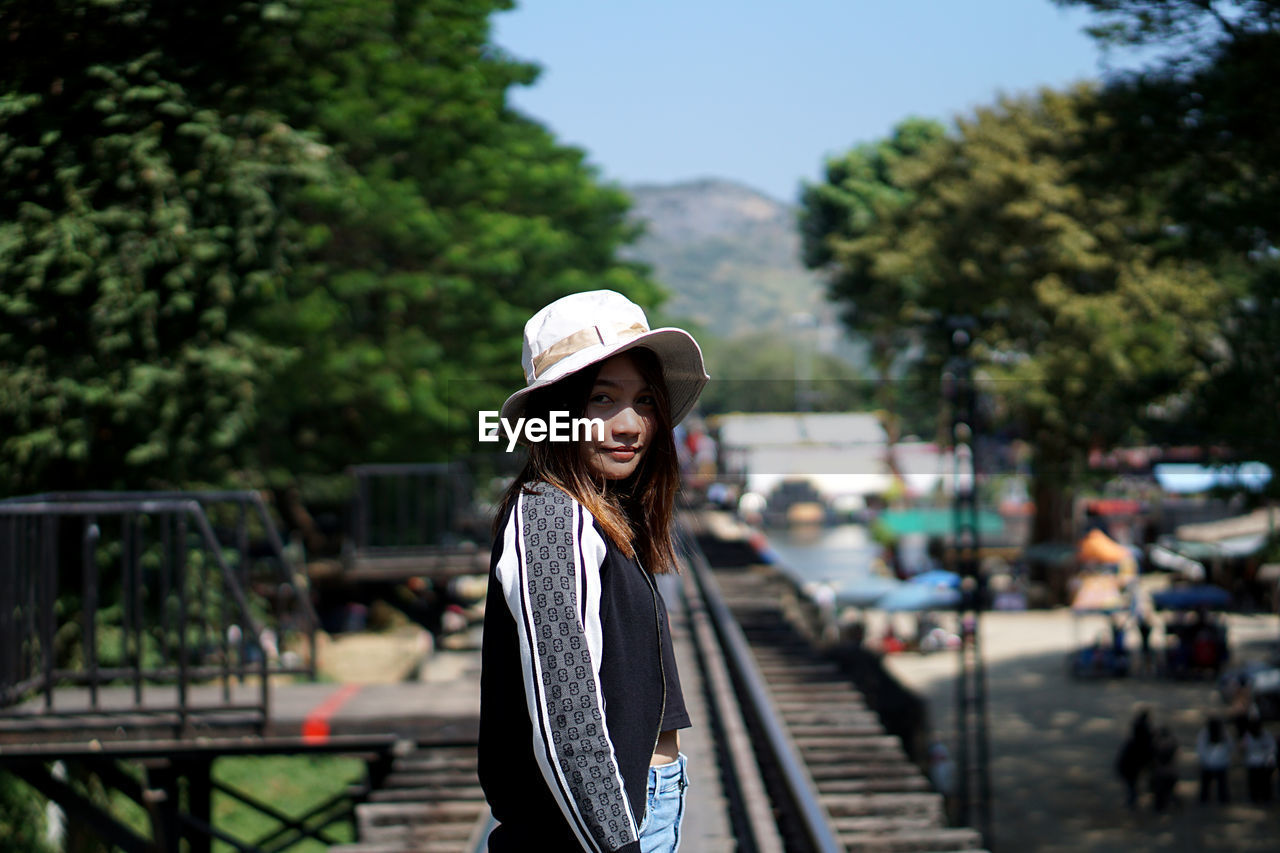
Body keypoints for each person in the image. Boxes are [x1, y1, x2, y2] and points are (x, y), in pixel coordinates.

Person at [478, 290, 709, 853]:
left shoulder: (601, 514)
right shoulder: (551, 513)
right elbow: (567, 716)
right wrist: (616, 844)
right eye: (601, 399)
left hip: (638, 805)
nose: (629, 425)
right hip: (593, 833)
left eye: (646, 402)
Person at [1115, 709, 1154, 809]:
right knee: (1132, 787)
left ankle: (1132, 803)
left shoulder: (1133, 743)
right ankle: (1132, 804)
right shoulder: (1141, 744)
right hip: (1130, 767)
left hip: (1128, 767)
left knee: (1132, 787)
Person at [1195, 715, 1233, 804]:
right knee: (1218, 783)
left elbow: (1200, 750)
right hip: (1215, 765)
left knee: (1217, 783)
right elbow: (1231, 747)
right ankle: (1213, 797)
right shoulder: (1206, 734)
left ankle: (1208, 797)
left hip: (1214, 765)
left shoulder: (1222, 734)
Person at [1241, 717, 1276, 804]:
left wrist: (1268, 759)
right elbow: (1244, 748)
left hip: (1264, 764)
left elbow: (1272, 748)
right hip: (1252, 764)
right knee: (1253, 783)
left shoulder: (1267, 735)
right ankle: (1254, 797)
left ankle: (1266, 797)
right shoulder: (1248, 736)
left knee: (1266, 782)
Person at [1150, 725, 1181, 813]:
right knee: (1169, 792)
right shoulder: (1172, 744)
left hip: (1160, 774)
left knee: (1160, 792)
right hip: (1170, 773)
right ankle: (1171, 805)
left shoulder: (1156, 745)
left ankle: (1160, 807)